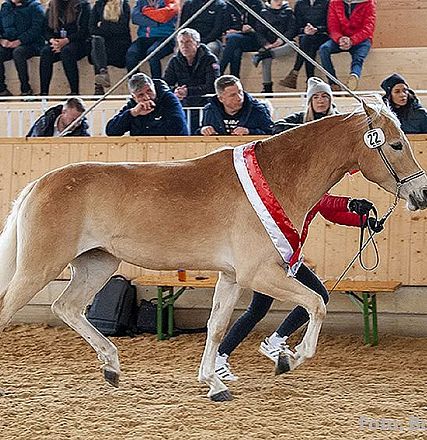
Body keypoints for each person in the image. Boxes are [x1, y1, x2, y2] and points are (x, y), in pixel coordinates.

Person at [215, 194, 375, 381]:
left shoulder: (316, 190)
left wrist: (364, 222)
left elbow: (329, 212)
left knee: (261, 309)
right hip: (274, 258)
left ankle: (239, 352)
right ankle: (229, 355)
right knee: (307, 299)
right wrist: (348, 203)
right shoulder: (309, 189)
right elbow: (322, 200)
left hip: (288, 259)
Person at [163, 28, 220, 133]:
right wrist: (176, 91)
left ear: (197, 43)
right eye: (181, 42)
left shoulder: (210, 59)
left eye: (188, 41)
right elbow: (165, 84)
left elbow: (212, 86)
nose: (185, 45)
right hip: (184, 106)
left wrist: (188, 91)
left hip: (206, 106)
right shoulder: (174, 60)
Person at [106, 72, 189, 136]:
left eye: (149, 91)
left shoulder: (168, 98)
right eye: (140, 95)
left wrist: (144, 130)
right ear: (134, 97)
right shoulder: (133, 105)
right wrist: (132, 113)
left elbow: (177, 126)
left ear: (154, 88)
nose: (147, 97)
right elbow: (111, 131)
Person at [319, 0, 376, 91]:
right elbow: (332, 25)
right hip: (340, 39)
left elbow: (368, 27)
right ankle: (333, 83)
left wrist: (352, 40)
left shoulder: (369, 3)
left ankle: (353, 78)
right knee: (324, 49)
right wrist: (339, 38)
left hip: (361, 39)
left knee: (358, 57)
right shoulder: (334, 2)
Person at [39, 0, 91, 96]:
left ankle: (74, 91)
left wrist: (66, 40)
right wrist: (52, 40)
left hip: (78, 42)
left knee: (67, 52)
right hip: (58, 42)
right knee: (46, 52)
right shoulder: (52, 6)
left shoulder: (83, 6)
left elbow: (84, 31)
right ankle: (44, 92)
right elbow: (45, 30)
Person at [198, 75, 273, 136]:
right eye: (232, 95)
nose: (239, 98)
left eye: (240, 92)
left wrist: (249, 131)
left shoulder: (258, 109)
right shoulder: (210, 110)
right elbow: (198, 133)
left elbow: (271, 132)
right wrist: (203, 130)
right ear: (220, 98)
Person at [280, 0, 329, 89]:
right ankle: (310, 81)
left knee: (307, 43)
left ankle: (296, 72)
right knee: (309, 45)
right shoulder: (300, 3)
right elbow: (297, 25)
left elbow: (329, 24)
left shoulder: (326, 3)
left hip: (322, 34)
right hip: (306, 35)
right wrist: (305, 30)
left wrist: (316, 29)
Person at [0, 0, 45, 96]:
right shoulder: (5, 7)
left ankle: (25, 89)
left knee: (18, 52)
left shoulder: (35, 6)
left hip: (31, 44)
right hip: (9, 42)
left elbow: (36, 29)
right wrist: (2, 40)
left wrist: (19, 41)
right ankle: (2, 89)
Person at [251, 0, 296, 93]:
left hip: (283, 42)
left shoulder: (288, 12)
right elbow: (259, 31)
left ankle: (263, 55)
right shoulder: (263, 13)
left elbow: (292, 29)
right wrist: (266, 43)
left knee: (293, 46)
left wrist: (281, 40)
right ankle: (267, 87)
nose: (278, 2)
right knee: (266, 58)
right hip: (268, 43)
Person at [126, 0, 178, 79]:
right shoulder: (141, 1)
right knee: (131, 54)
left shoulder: (171, 1)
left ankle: (157, 85)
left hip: (165, 37)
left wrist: (146, 12)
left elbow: (164, 16)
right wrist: (156, 22)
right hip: (143, 38)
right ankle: (137, 84)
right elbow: (135, 18)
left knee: (152, 54)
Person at [90, 0, 131, 95]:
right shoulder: (98, 5)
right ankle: (102, 73)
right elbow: (91, 27)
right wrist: (109, 27)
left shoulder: (123, 5)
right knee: (96, 42)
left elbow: (122, 28)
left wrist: (103, 27)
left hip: (120, 46)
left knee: (97, 48)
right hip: (103, 45)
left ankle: (100, 81)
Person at [273, 76, 337, 133]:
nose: (320, 100)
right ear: (310, 102)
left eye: (324, 96)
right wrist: (305, 128)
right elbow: (276, 126)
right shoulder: (300, 117)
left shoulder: (339, 118)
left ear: (330, 100)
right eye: (315, 97)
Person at [220, 0, 263, 78]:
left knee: (232, 39)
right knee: (236, 50)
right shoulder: (229, 4)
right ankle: (235, 78)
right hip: (238, 39)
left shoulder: (257, 4)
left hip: (256, 38)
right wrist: (240, 30)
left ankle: (219, 72)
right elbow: (225, 26)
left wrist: (245, 30)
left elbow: (262, 27)